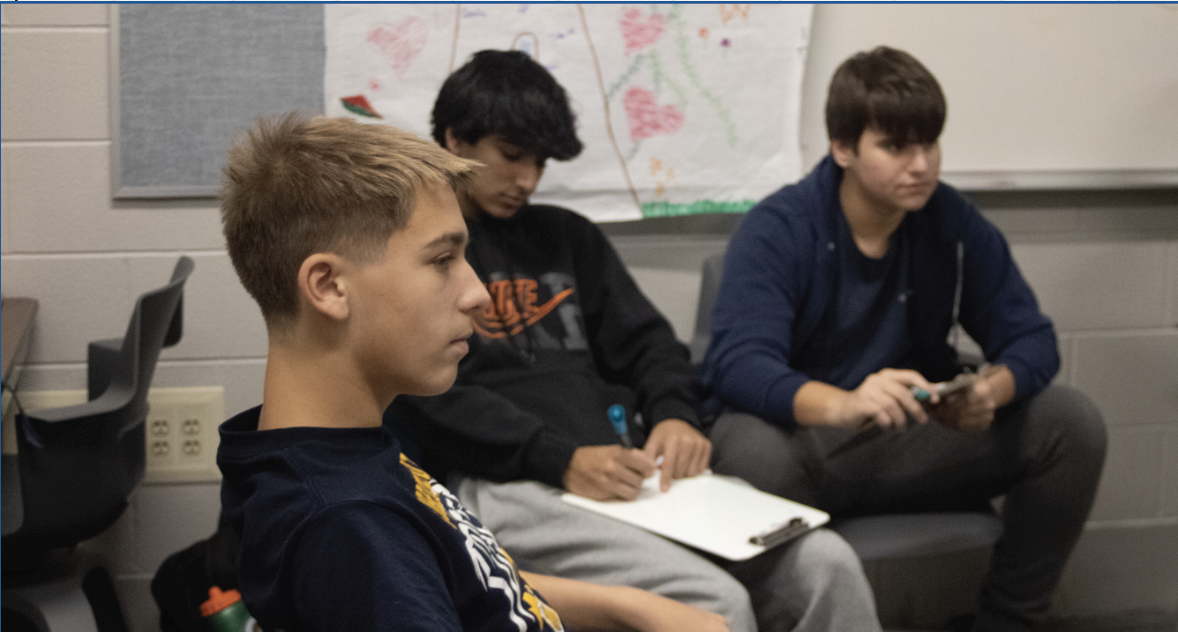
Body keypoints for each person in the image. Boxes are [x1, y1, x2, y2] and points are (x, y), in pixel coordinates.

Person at [389, 49, 880, 632]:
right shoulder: (424, 252)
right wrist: (562, 459)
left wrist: (676, 416)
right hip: (510, 485)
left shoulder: (568, 237)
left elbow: (651, 344)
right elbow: (428, 394)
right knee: (711, 604)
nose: (528, 179)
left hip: (632, 475)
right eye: (512, 156)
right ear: (455, 141)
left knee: (829, 565)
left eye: (540, 162)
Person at [215, 112, 733, 631]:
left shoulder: (339, 448)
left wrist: (627, 605)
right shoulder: (351, 526)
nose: (478, 294)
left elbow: (462, 574)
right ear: (329, 287)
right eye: (442, 260)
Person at [702, 46, 1108, 632]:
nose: (921, 165)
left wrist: (990, 391)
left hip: (908, 437)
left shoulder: (952, 221)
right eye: (896, 147)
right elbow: (738, 364)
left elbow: (1033, 341)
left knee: (1071, 422)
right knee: (749, 451)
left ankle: (1009, 622)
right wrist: (842, 403)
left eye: (930, 144)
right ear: (843, 148)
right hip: (807, 444)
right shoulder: (779, 227)